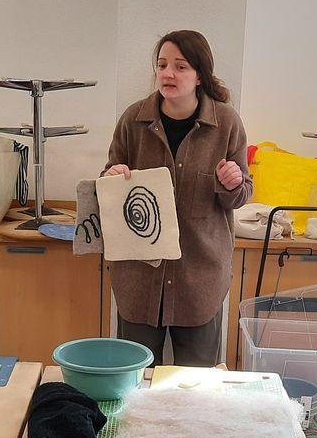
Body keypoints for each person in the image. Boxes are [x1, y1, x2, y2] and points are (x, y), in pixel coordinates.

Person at [102, 30, 251, 366]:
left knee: (197, 386)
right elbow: (108, 180)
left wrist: (232, 182)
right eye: (162, 65)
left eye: (180, 67)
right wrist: (112, 177)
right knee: (135, 381)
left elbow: (241, 195)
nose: (168, 74)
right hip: (138, 280)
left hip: (200, 282)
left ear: (200, 75)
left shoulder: (226, 123)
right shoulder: (133, 120)